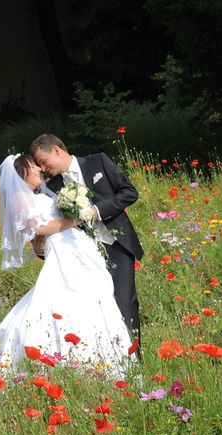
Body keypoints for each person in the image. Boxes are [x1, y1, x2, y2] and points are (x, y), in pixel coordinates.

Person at [0, 154, 135, 379]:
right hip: (61, 248)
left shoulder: (41, 192)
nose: (38, 169)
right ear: (22, 174)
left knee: (93, 294)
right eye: (33, 166)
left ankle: (106, 352)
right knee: (66, 294)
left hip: (75, 244)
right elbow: (35, 228)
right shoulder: (20, 197)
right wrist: (75, 219)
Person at [30, 134, 144, 349]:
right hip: (83, 253)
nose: (43, 168)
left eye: (43, 162)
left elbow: (129, 193)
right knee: (95, 307)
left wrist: (96, 210)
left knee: (125, 301)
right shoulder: (52, 187)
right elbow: (52, 225)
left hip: (116, 243)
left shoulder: (97, 162)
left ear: (57, 150)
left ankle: (135, 358)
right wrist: (39, 249)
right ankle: (108, 357)